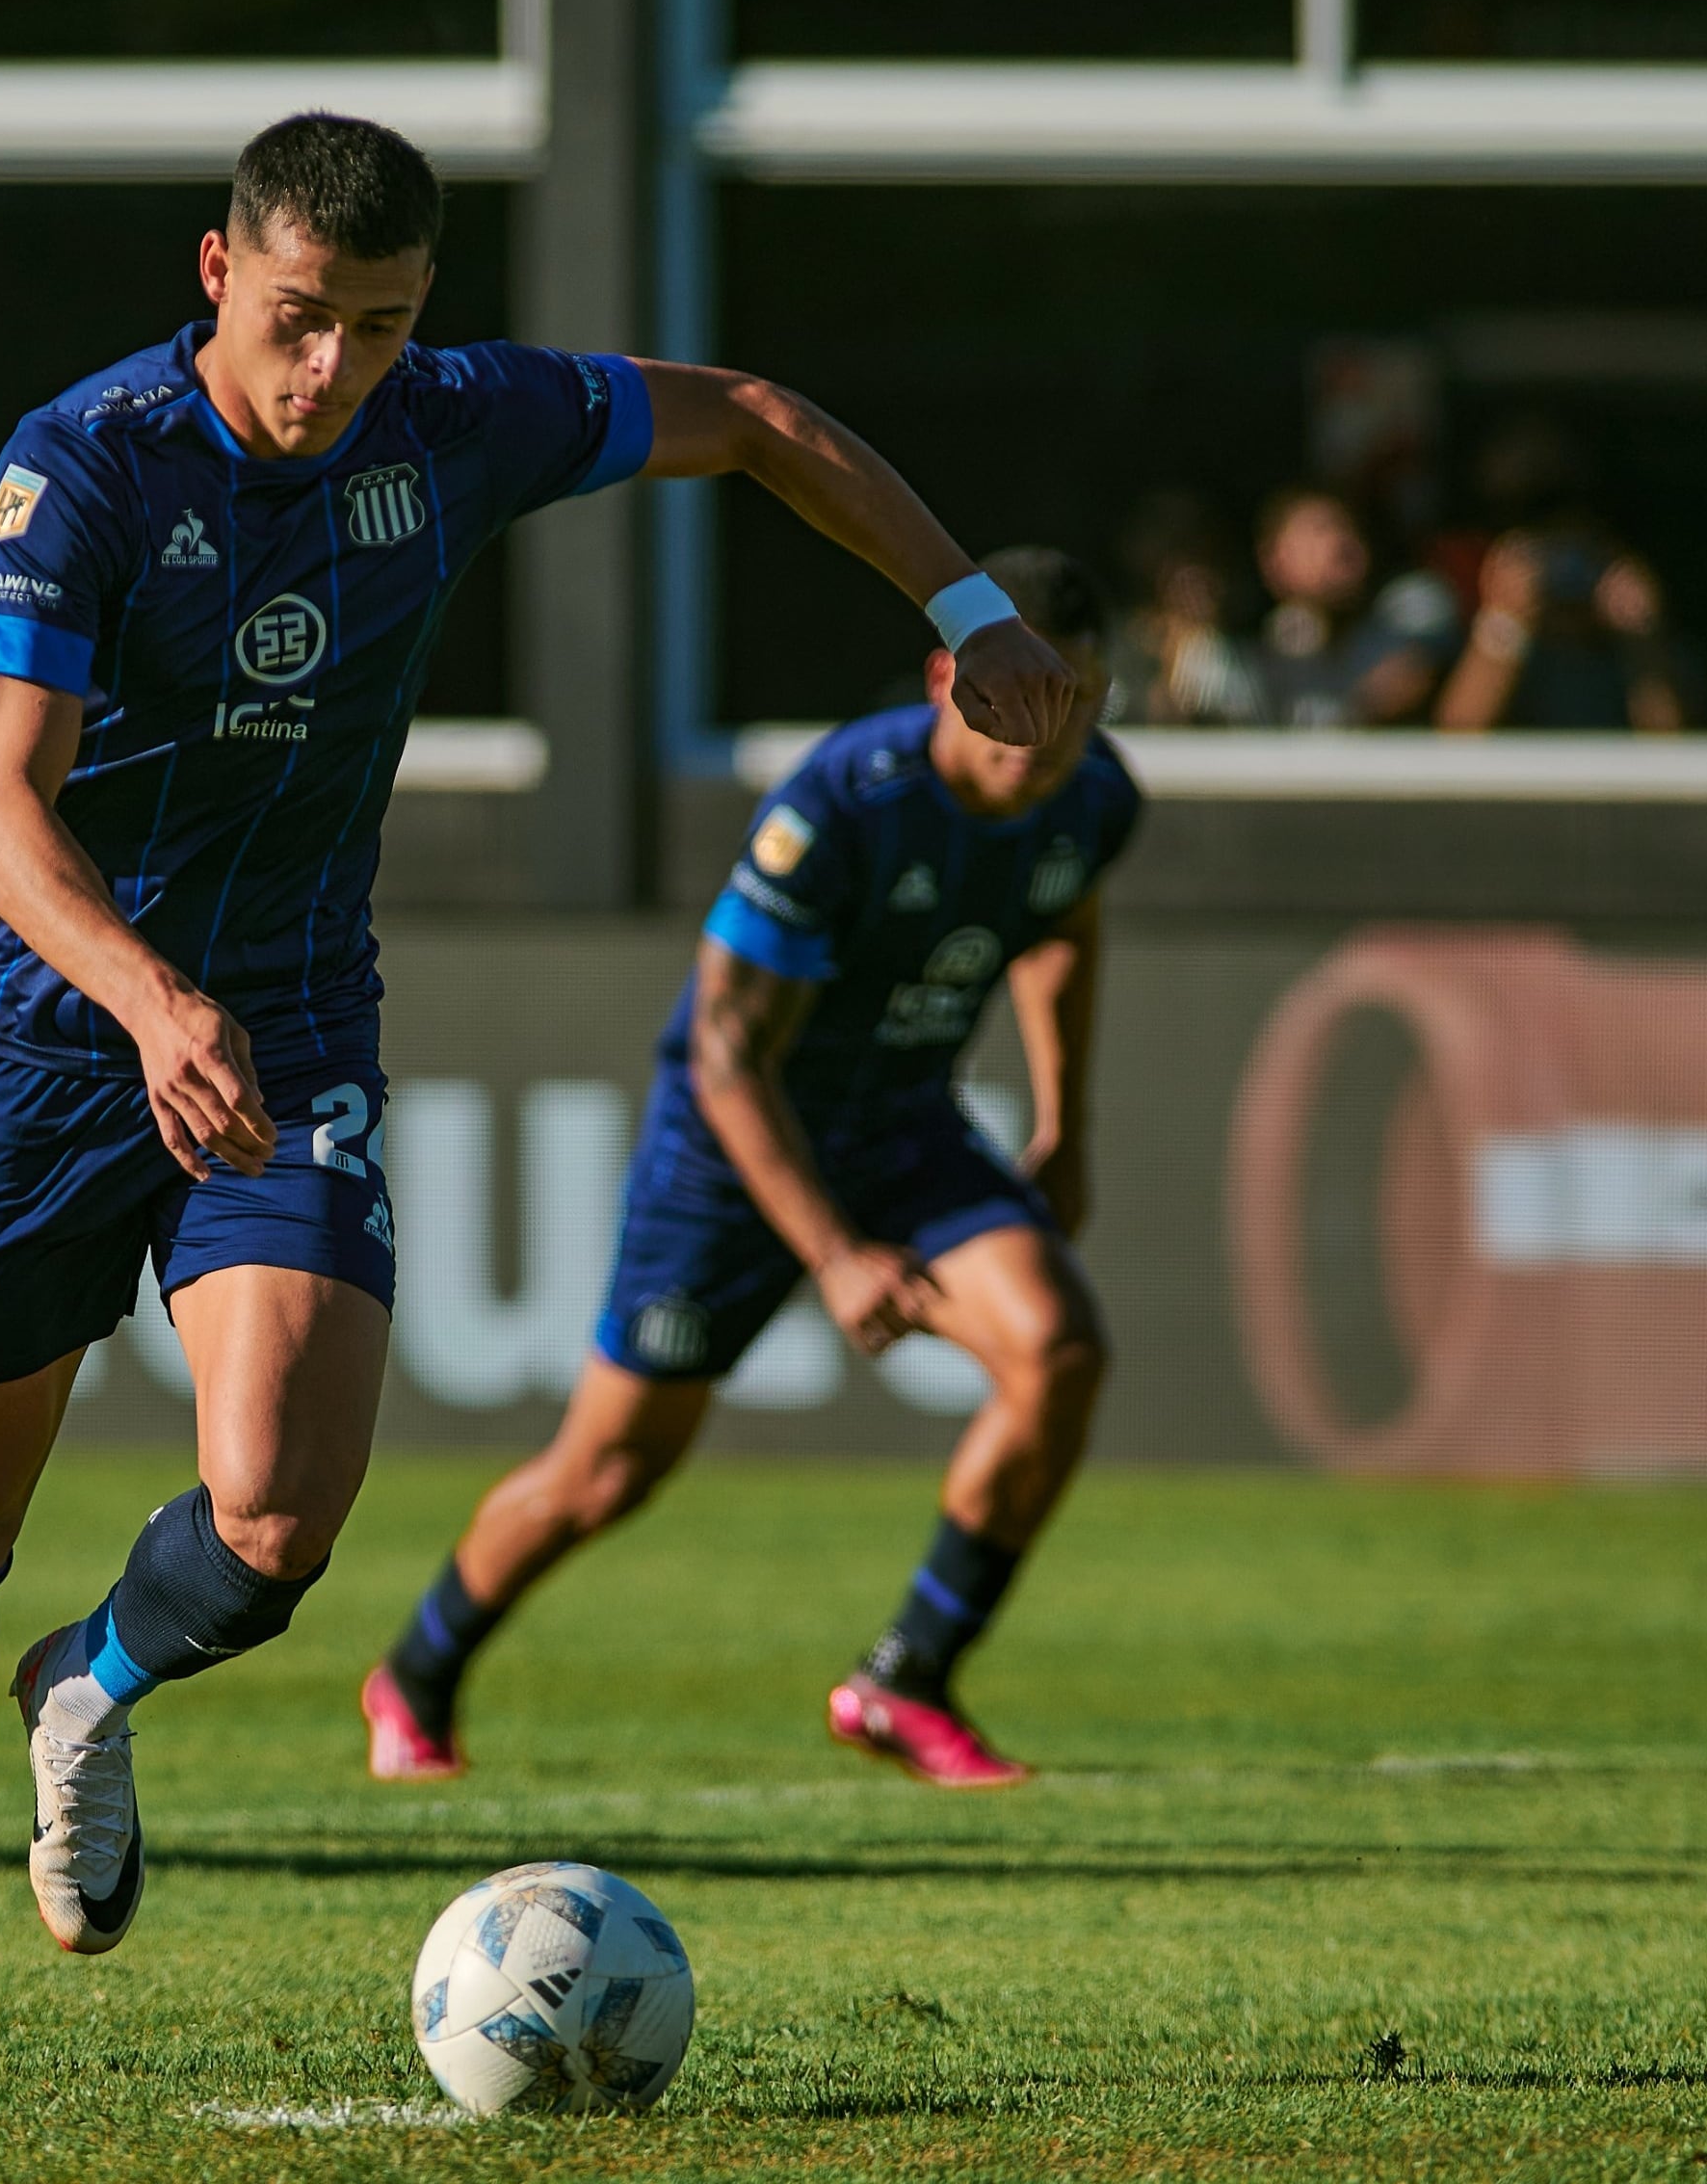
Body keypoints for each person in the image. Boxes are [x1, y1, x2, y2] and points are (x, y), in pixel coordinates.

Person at [0, 112, 1076, 2076]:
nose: (329, 373)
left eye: (375, 328)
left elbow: (752, 418)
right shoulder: (83, 465)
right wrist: (139, 1000)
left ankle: (87, 1684)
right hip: (54, 1040)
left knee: (275, 1523)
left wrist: (967, 615)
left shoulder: (451, 423)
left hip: (283, 1032)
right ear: (216, 273)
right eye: (298, 319)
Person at [363, 544, 1134, 1794]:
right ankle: (420, 1668)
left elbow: (1062, 922)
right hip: (731, 1149)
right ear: (948, 677)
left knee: (1058, 1349)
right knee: (609, 1471)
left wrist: (1066, 1123)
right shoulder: (846, 803)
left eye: (1078, 704)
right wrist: (832, 1256)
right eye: (1021, 701)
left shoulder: (1093, 799)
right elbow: (728, 1058)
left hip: (901, 1126)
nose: (1044, 737)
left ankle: (907, 1677)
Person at [1431, 418, 1683, 733]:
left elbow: (1672, 752)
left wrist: (1642, 640)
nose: (1564, 574)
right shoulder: (1464, 631)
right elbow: (1457, 739)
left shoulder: (1657, 655)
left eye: (1580, 555)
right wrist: (1505, 623)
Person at [1250, 487, 1457, 728]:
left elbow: (1401, 688)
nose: (1339, 543)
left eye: (1346, 528)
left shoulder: (1411, 602)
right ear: (1274, 560)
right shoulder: (1273, 639)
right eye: (1319, 531)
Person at [1107, 489, 1264, 726]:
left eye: (1200, 548)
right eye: (1174, 550)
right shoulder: (1116, 645)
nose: (1192, 571)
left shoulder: (1243, 645)